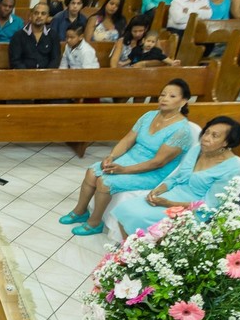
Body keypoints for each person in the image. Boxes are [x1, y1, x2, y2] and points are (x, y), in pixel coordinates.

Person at [60, 80, 194, 235]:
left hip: (153, 171)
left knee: (104, 181)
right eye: (162, 95)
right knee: (92, 172)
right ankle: (80, 211)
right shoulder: (149, 115)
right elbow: (128, 139)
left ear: (183, 101)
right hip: (131, 158)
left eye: (171, 96)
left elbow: (158, 162)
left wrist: (124, 170)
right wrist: (111, 157)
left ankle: (95, 222)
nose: (164, 99)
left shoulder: (181, 130)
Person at [113, 117, 240, 235]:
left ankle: (136, 255)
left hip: (193, 210)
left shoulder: (231, 169)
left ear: (226, 143)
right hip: (173, 195)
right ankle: (129, 253)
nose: (206, 138)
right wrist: (158, 191)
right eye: (207, 132)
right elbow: (176, 177)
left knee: (138, 216)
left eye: (214, 136)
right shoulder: (197, 149)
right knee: (126, 208)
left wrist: (169, 204)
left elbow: (210, 206)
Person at [10, 2, 59, 69]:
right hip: (24, 75)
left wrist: (47, 74)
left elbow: (55, 59)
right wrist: (28, 74)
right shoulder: (18, 35)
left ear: (47, 17)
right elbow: (15, 60)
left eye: (43, 14)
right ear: (31, 16)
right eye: (36, 13)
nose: (39, 16)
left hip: (46, 76)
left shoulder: (53, 34)